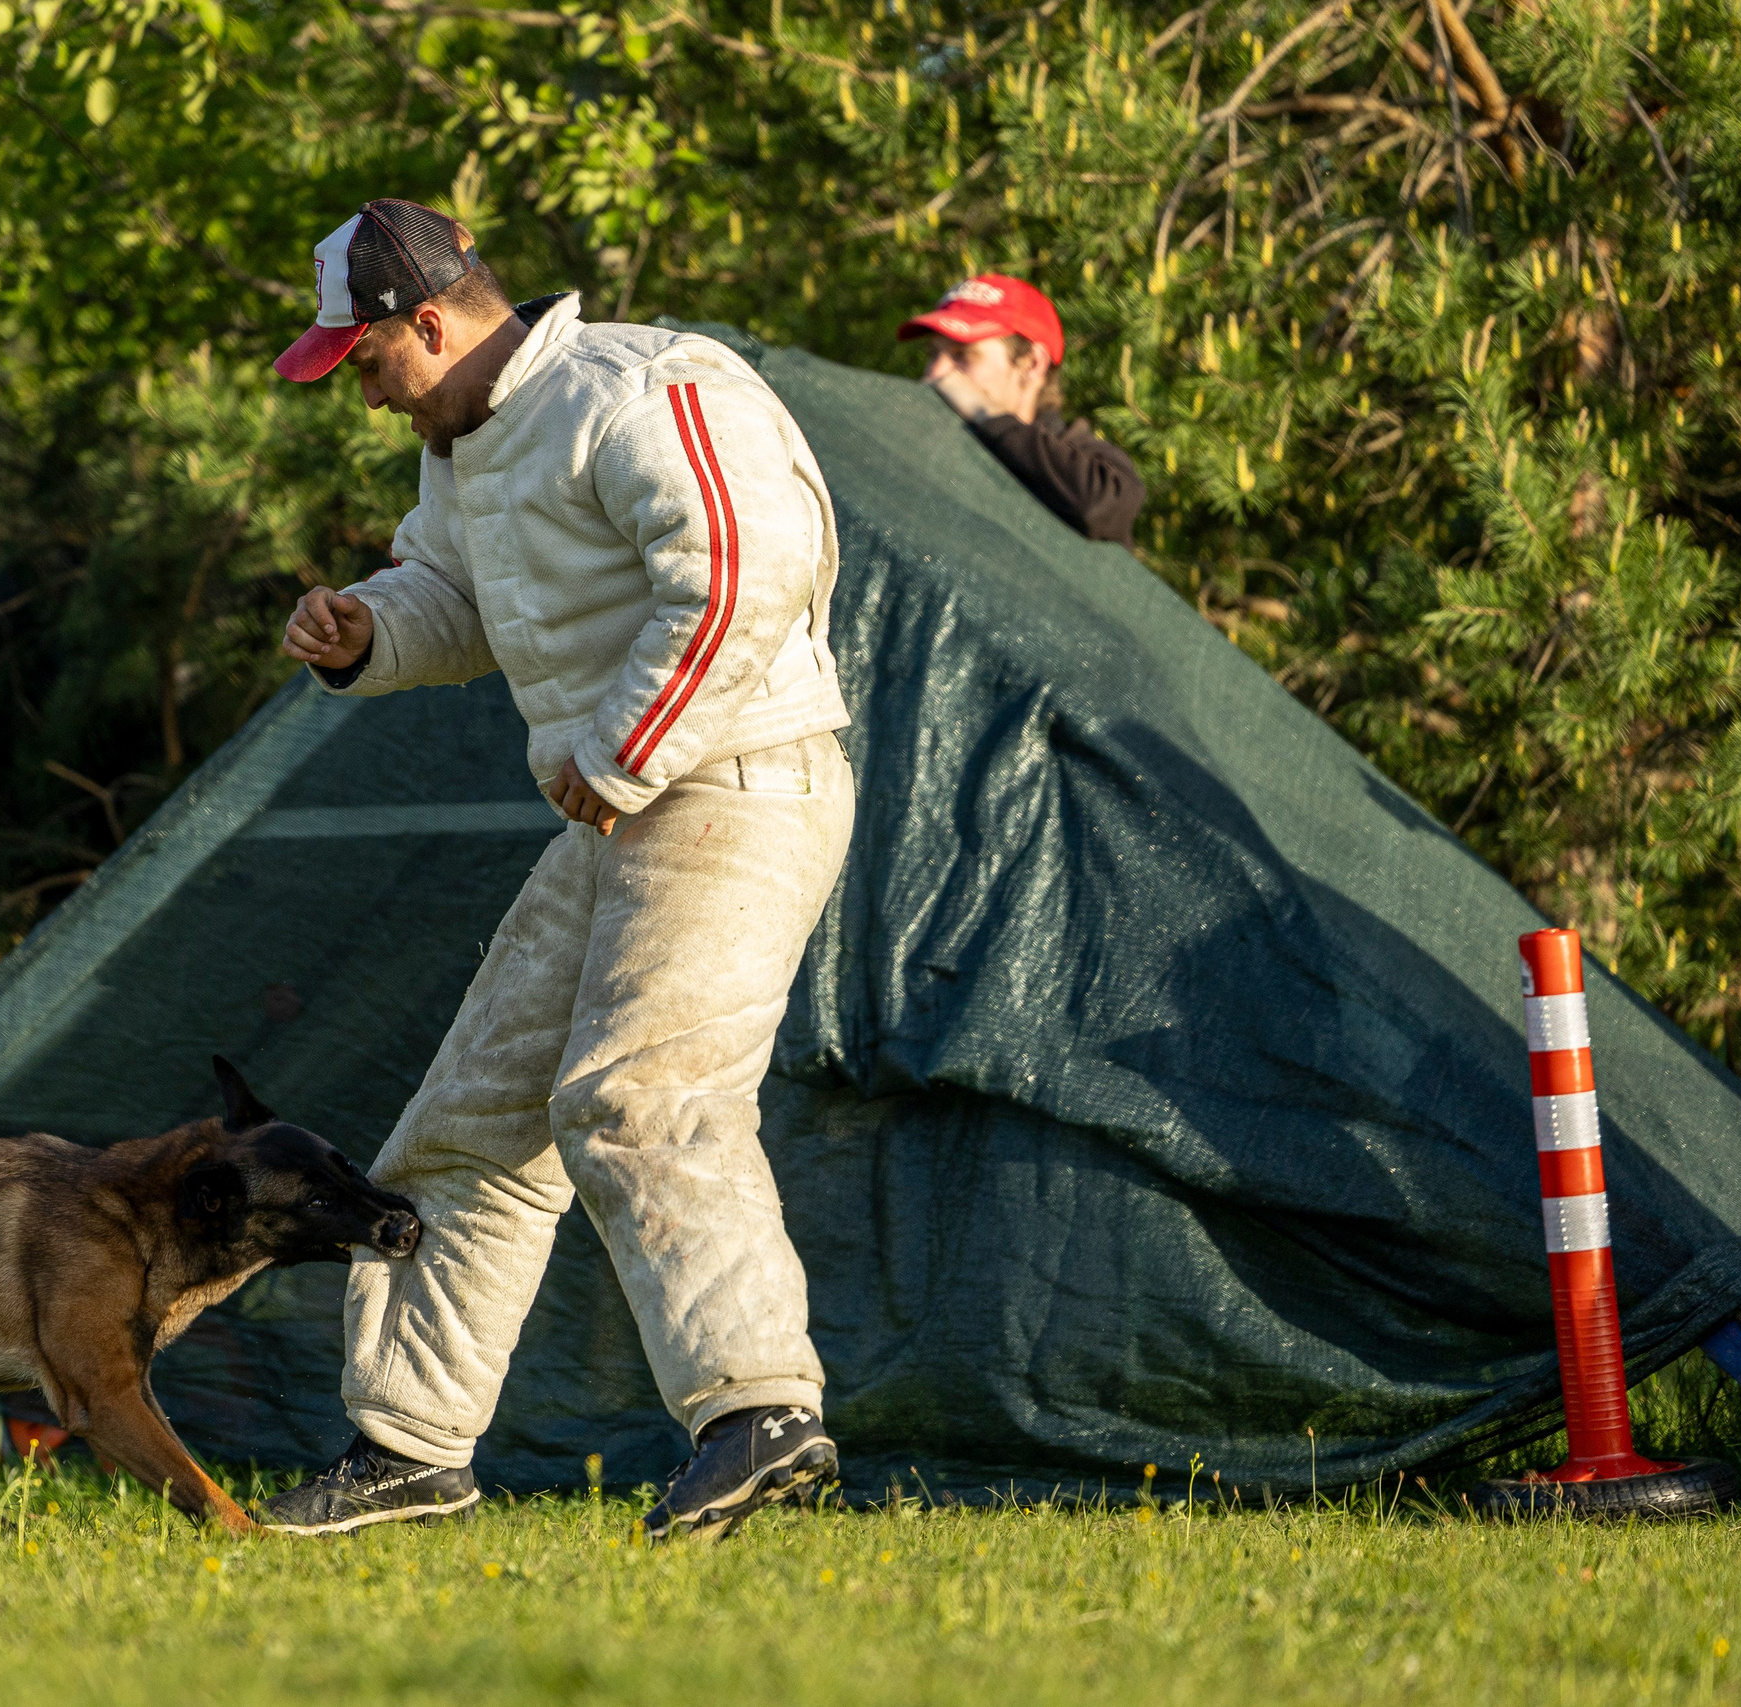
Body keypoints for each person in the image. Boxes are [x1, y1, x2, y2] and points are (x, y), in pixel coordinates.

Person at [261, 198, 854, 1543]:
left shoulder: (644, 386)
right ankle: (411, 1447)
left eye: (364, 360)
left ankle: (761, 1409)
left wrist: (625, 745)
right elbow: (460, 600)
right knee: (474, 1116)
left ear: (431, 320)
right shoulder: (463, 445)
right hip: (626, 800)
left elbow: (745, 575)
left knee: (638, 1093)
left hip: (742, 778)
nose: (361, 392)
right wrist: (367, 627)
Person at [901, 274, 1145, 546]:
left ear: (1032, 364)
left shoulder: (1079, 455)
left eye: (963, 355)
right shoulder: (930, 448)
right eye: (932, 355)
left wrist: (987, 414)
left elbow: (1104, 507)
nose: (935, 373)